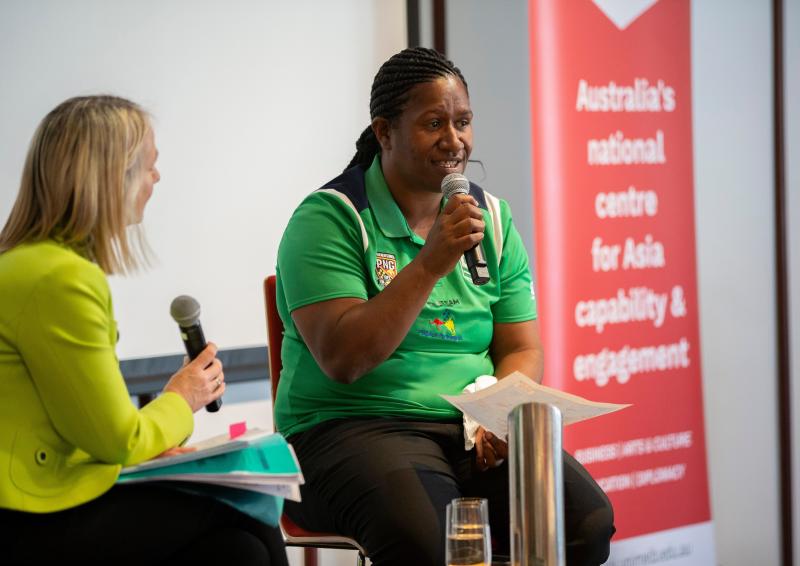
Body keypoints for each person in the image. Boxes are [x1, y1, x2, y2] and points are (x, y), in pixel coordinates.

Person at [274, 47, 615, 566]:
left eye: (463, 122)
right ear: (385, 132)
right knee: (429, 540)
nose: (454, 141)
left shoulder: (492, 220)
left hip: (468, 431)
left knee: (583, 524)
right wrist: (431, 262)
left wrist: (497, 413)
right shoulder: (329, 219)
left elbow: (522, 347)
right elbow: (346, 360)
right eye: (434, 123)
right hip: (350, 428)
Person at [0, 95, 288, 566]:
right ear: (111, 174)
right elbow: (119, 440)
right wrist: (184, 396)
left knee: (236, 549)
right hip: (32, 515)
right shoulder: (60, 277)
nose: (156, 179)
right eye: (148, 166)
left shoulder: (30, 264)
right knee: (251, 513)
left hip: (42, 500)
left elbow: (86, 429)